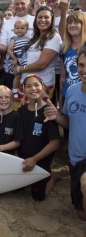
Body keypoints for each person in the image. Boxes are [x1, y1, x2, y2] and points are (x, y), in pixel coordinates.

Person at [44, 48, 86, 219]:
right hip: (75, 158)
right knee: (81, 213)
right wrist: (57, 117)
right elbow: (69, 122)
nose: (85, 70)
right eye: (81, 65)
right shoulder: (72, 90)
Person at [18, 75, 59, 201]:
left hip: (40, 160)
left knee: (38, 197)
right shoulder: (21, 111)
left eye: (36, 85)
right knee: (16, 189)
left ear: (43, 88)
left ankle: (53, 177)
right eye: (28, 86)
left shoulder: (48, 112)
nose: (33, 89)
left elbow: (55, 143)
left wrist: (35, 159)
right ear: (23, 90)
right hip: (23, 159)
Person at [13, 6, 62, 103]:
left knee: (38, 116)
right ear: (35, 19)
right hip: (25, 82)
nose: (42, 20)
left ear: (52, 20)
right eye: (40, 17)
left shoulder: (54, 38)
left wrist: (19, 69)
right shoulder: (33, 37)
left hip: (41, 86)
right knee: (24, 115)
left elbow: (42, 64)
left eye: (46, 17)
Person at [0, 0, 35, 89]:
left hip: (32, 69)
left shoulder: (36, 20)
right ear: (13, 5)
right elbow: (4, 47)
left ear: (29, 4)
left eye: (22, 3)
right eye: (17, 3)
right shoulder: (6, 24)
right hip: (12, 69)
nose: (19, 6)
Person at [59, 12, 86, 109]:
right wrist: (61, 102)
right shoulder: (65, 48)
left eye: (76, 22)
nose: (72, 25)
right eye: (69, 23)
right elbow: (62, 78)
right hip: (68, 94)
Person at [0, 85, 22, 157]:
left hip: (9, 157)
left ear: (12, 99)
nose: (4, 100)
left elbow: (17, 142)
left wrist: (0, 148)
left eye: (7, 97)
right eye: (0, 97)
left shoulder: (16, 116)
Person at [7, 19, 30, 99]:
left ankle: (25, 90)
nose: (19, 30)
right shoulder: (14, 39)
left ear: (27, 30)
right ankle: (14, 90)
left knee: (27, 75)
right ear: (14, 29)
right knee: (17, 75)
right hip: (17, 58)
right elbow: (9, 50)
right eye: (17, 28)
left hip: (26, 59)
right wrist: (14, 59)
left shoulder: (28, 38)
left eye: (22, 28)